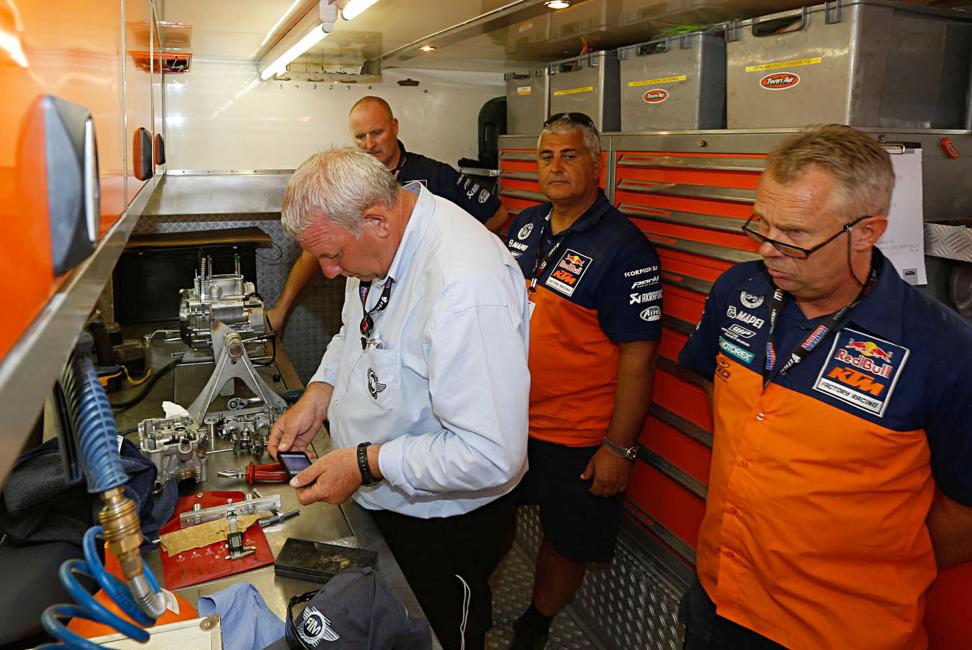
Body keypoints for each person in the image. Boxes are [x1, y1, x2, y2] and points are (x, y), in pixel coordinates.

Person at [677, 124, 972, 649]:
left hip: (841, 631)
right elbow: (725, 401)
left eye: (794, 235)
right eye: (761, 225)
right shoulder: (735, 290)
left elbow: (964, 512)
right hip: (720, 597)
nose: (769, 249)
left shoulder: (944, 351)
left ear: (867, 231)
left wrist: (864, 556)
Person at [268, 146, 530, 650]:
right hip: (387, 500)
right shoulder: (380, 242)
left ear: (375, 220)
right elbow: (357, 331)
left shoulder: (464, 286)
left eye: (332, 255)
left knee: (439, 635)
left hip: (446, 525)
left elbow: (492, 455)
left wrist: (365, 462)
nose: (326, 272)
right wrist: (321, 392)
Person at [504, 112, 662, 649]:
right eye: (547, 156)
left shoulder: (624, 247)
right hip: (508, 419)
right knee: (487, 513)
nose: (556, 166)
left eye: (570, 155)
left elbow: (639, 358)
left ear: (596, 163)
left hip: (576, 433)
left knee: (566, 542)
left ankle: (535, 625)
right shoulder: (525, 226)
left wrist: (620, 447)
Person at [267, 96, 509, 333]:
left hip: (421, 301)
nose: (369, 144)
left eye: (377, 133)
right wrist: (282, 308)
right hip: (369, 299)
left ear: (394, 127)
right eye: (360, 137)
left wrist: (454, 257)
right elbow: (321, 247)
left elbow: (497, 214)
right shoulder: (348, 183)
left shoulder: (435, 174)